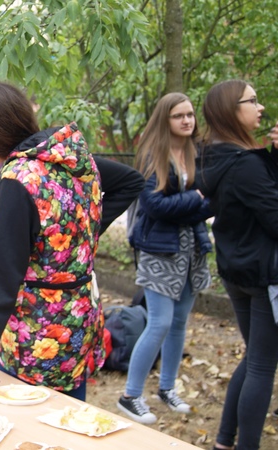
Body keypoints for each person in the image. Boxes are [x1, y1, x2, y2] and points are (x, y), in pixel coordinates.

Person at [0, 81, 104, 402]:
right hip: (79, 318)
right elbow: (128, 181)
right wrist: (78, 230)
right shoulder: (70, 158)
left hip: (37, 333)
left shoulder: (19, 179)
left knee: (29, 419)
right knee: (69, 415)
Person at [117, 93, 212, 424]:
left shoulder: (196, 152)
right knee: (159, 322)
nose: (187, 121)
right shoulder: (151, 155)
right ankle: (130, 395)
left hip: (191, 248)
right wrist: (196, 197)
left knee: (179, 322)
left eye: (190, 115)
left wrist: (193, 202)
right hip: (159, 249)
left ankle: (167, 388)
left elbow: (213, 201)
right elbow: (155, 207)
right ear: (164, 119)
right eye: (178, 115)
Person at [197, 80, 278, 450]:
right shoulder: (245, 163)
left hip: (237, 270)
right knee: (262, 365)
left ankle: (224, 441)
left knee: (254, 358)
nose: (260, 108)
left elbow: (255, 200)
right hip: (263, 274)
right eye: (252, 100)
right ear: (232, 111)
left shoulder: (217, 156)